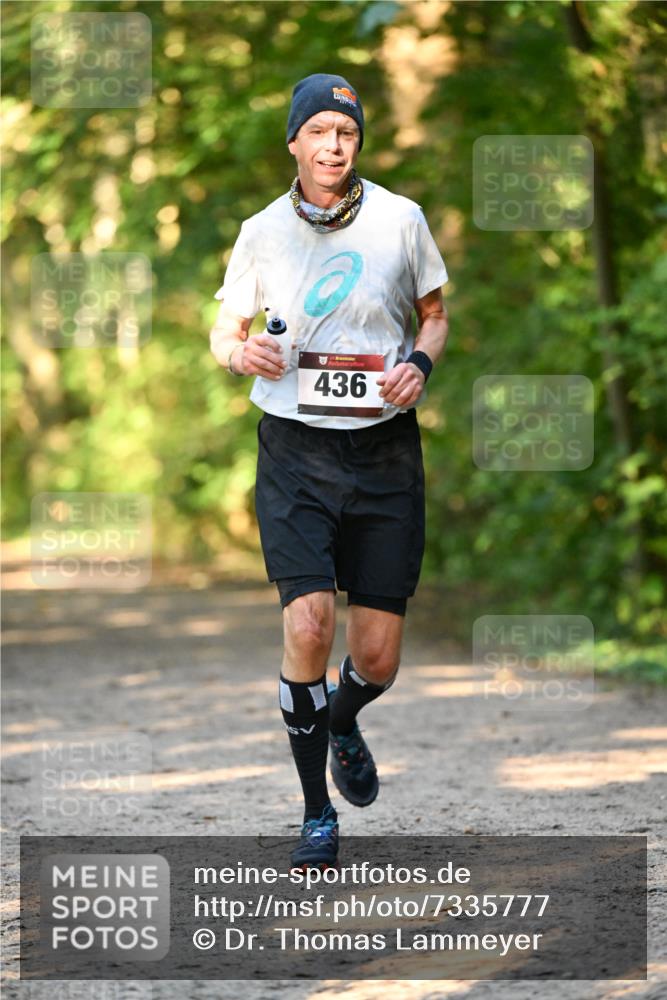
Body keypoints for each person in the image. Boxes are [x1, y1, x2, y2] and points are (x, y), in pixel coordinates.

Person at [210, 73, 449, 870]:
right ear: (294, 143)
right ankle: (316, 813)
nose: (332, 146)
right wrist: (239, 350)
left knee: (376, 657)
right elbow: (224, 327)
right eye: (317, 132)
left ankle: (342, 717)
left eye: (344, 133)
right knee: (308, 623)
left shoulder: (400, 220)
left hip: (384, 452)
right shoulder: (261, 231)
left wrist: (417, 361)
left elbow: (436, 315)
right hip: (295, 449)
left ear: (357, 143)